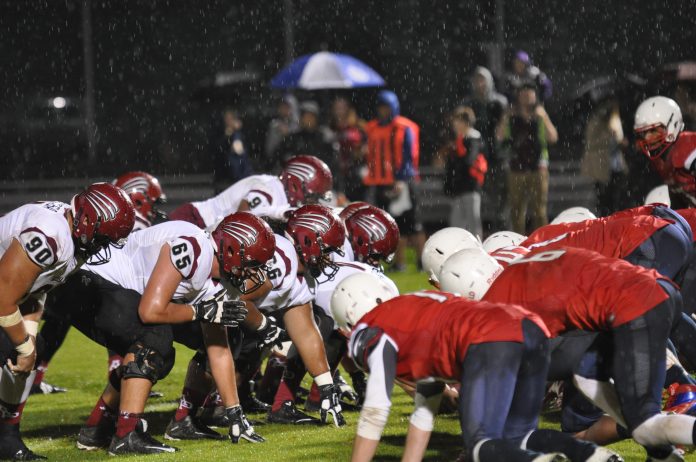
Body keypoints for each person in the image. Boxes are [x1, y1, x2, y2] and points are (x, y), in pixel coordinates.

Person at [439, 245, 693, 460]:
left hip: (635, 308)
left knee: (644, 425)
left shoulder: (498, 311)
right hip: (659, 288)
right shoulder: (524, 266)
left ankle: (649, 428)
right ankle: (662, 454)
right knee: (586, 376)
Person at [332, 274, 617, 462]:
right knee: (520, 436)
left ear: (348, 320)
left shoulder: (369, 329)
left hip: (489, 339)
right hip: (529, 327)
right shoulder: (411, 315)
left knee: (479, 445)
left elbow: (375, 410)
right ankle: (590, 455)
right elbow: (424, 412)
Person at [50, 214, 267, 455]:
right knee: (154, 339)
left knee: (165, 348)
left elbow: (218, 348)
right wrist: (200, 311)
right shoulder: (193, 248)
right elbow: (150, 312)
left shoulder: (221, 279)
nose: (255, 274)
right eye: (253, 264)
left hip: (112, 290)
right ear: (231, 250)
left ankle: (97, 428)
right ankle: (126, 435)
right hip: (83, 281)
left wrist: (235, 412)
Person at [0, 183, 136, 460]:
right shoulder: (50, 235)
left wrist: (29, 338)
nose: (103, 245)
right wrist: (24, 347)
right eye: (103, 238)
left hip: (7, 291)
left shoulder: (72, 235)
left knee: (26, 352)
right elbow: (3, 296)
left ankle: (7, 436)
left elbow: (33, 288)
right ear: (87, 220)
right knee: (13, 349)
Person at [33, 171, 168, 395]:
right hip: (72, 280)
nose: (154, 210)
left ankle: (33, 376)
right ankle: (130, 375)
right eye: (152, 203)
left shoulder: (103, 216)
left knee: (56, 322)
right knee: (116, 311)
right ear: (138, 199)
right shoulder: (124, 221)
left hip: (62, 280)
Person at [169, 155, 333, 230]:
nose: (313, 202)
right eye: (313, 197)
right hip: (194, 221)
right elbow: (244, 216)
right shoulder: (269, 188)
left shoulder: (279, 192)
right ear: (295, 185)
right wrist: (282, 212)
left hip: (207, 228)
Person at [364, 90, 425, 271]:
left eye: (386, 108)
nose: (383, 111)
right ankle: (400, 263)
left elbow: (408, 155)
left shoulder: (404, 127)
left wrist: (402, 179)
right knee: (392, 225)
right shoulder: (372, 128)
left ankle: (422, 261)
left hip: (403, 182)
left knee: (413, 223)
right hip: (381, 182)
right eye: (380, 108)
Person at [500, 84, 558, 234]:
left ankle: (542, 240)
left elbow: (553, 137)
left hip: (538, 167)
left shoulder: (540, 116)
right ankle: (519, 239)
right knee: (517, 210)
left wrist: (544, 117)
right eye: (523, 95)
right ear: (518, 97)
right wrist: (506, 117)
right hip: (516, 167)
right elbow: (499, 136)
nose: (526, 99)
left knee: (539, 210)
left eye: (529, 96)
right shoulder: (512, 116)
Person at [462, 66, 509, 234]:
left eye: (482, 80)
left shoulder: (500, 102)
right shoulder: (468, 104)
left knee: (501, 203)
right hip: (476, 159)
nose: (480, 84)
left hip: (497, 158)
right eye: (477, 80)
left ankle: (502, 235)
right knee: (477, 202)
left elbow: (505, 131)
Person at [633, 96, 696, 208]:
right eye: (644, 133)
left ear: (673, 125)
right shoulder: (660, 160)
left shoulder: (687, 147)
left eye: (653, 131)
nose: (647, 138)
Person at [274, 101, 342, 200]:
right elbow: (278, 160)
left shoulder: (324, 139)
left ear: (316, 118)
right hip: (295, 189)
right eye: (305, 116)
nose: (308, 119)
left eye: (311, 116)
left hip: (321, 189)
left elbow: (334, 167)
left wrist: (339, 190)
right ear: (300, 118)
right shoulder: (292, 139)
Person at [443, 106, 488, 236]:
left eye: (457, 121)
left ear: (465, 123)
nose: (454, 125)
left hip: (470, 187)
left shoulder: (473, 139)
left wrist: (455, 160)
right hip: (459, 189)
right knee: (457, 224)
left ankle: (476, 246)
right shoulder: (459, 140)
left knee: (472, 222)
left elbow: (468, 161)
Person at [581, 99, 629, 216]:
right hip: (602, 166)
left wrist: (621, 141)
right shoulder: (596, 122)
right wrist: (609, 136)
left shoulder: (615, 120)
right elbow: (591, 142)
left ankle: (613, 216)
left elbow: (618, 139)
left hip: (616, 165)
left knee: (616, 196)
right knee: (604, 198)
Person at [211, 108, 254, 194]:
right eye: (227, 119)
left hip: (239, 172)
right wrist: (228, 135)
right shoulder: (220, 131)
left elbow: (245, 150)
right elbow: (218, 149)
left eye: (231, 119)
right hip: (224, 172)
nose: (229, 121)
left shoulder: (240, 134)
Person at [263, 94, 299, 173]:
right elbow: (270, 149)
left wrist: (289, 133)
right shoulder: (275, 125)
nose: (283, 110)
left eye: (287, 107)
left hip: (295, 165)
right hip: (277, 165)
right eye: (282, 107)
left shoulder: (297, 125)